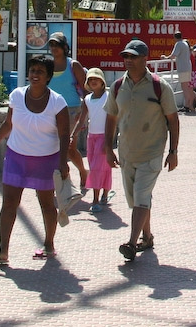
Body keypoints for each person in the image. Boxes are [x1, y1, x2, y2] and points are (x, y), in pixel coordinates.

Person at [0, 55, 70, 264]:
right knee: (9, 203)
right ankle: (3, 251)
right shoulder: (17, 96)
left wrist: (62, 161)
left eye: (40, 71)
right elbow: (8, 123)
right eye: (32, 71)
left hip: (46, 160)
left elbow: (64, 134)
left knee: (47, 204)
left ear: (48, 76)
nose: (35, 75)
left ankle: (48, 245)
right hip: (16, 157)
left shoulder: (57, 102)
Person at [106, 39, 180, 262]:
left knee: (141, 197)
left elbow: (173, 120)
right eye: (126, 57)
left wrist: (173, 151)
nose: (128, 60)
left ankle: (131, 243)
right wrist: (108, 148)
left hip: (152, 153)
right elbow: (111, 118)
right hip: (127, 153)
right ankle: (147, 237)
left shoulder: (159, 86)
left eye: (133, 56)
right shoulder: (117, 87)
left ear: (145, 58)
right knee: (138, 199)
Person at [47, 31, 89, 192]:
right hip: (51, 111)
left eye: (57, 45)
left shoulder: (73, 65)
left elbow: (86, 91)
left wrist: (83, 113)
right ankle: (60, 183)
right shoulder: (48, 65)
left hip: (71, 111)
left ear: (65, 47)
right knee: (52, 147)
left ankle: (81, 172)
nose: (53, 48)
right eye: (51, 45)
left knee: (69, 148)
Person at [75, 68, 113, 212]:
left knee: (99, 168)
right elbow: (81, 120)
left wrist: (108, 142)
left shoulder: (109, 97)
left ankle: (96, 199)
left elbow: (114, 119)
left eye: (96, 79)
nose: (93, 81)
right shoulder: (87, 100)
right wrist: (73, 135)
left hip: (104, 136)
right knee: (95, 167)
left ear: (102, 81)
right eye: (90, 79)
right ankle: (104, 194)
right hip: (91, 137)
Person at [164, 31, 196, 113]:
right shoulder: (185, 43)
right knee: (187, 87)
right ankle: (188, 105)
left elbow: (173, 56)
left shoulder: (178, 44)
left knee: (184, 88)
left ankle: (186, 105)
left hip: (183, 68)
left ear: (175, 37)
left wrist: (165, 57)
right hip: (188, 67)